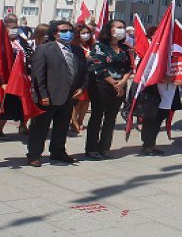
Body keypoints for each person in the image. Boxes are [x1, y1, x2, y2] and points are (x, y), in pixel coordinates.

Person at [27, 21, 88, 167]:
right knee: (40, 128)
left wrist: (81, 88)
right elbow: (38, 75)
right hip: (48, 96)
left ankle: (58, 151)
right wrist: (43, 95)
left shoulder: (77, 50)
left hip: (69, 96)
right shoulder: (44, 49)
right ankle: (34, 154)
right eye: (64, 30)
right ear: (55, 33)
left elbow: (84, 72)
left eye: (70, 30)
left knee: (62, 127)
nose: (68, 33)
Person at [84, 19, 132, 160]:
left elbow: (129, 67)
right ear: (109, 30)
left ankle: (104, 148)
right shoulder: (100, 46)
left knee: (111, 118)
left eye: (123, 27)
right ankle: (92, 149)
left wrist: (122, 82)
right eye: (118, 27)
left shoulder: (125, 48)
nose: (121, 30)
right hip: (101, 85)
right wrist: (113, 83)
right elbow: (99, 67)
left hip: (120, 87)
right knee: (97, 117)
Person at [70, 24, 94, 135]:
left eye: (87, 33)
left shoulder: (92, 46)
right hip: (79, 76)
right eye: (83, 33)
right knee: (78, 101)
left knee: (86, 101)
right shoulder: (74, 46)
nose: (86, 35)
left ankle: (81, 120)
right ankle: (73, 121)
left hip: (91, 76)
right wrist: (86, 58)